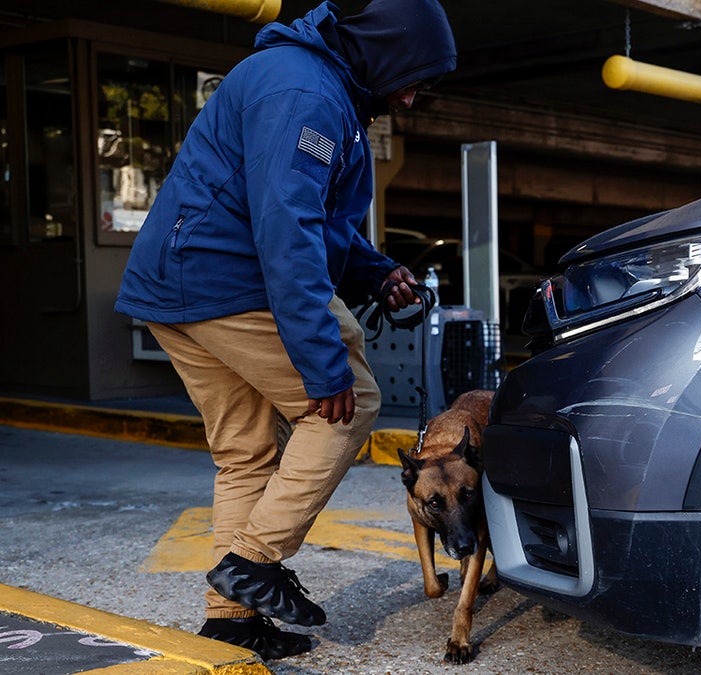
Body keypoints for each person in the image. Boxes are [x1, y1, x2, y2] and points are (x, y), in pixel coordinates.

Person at [114, 0, 456, 660]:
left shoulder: (321, 87)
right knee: (348, 402)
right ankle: (253, 562)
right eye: (413, 78)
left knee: (245, 451)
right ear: (383, 51)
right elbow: (286, 229)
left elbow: (313, 221)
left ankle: (230, 618)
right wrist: (322, 361)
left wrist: (375, 270)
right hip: (224, 282)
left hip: (183, 285)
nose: (412, 99)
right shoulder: (305, 91)